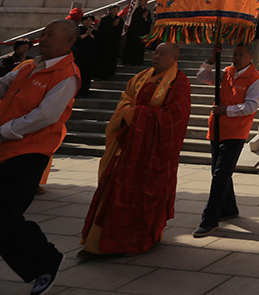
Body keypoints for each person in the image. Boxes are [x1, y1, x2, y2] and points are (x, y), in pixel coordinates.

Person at [80, 42, 190, 257]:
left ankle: (141, 237)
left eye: (162, 54)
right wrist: (130, 112)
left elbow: (175, 117)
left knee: (144, 196)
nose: (156, 56)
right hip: (128, 145)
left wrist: (136, 114)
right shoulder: (141, 76)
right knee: (113, 192)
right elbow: (125, 99)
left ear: (174, 59)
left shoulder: (179, 82)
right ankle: (98, 242)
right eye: (155, 52)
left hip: (153, 153)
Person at [0, 20, 80, 293]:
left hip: (29, 152)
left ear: (69, 42)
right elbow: (3, 86)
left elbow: (45, 115)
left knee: (5, 214)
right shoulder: (31, 66)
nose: (43, 39)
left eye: (50, 35)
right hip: (5, 147)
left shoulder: (67, 74)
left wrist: (4, 131)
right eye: (43, 33)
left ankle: (47, 261)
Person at [193, 44, 259, 237]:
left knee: (220, 174)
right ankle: (229, 208)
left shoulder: (255, 80)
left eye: (241, 54)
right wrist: (212, 60)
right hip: (216, 128)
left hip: (235, 132)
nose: (236, 57)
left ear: (251, 56)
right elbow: (201, 76)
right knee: (219, 172)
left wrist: (226, 110)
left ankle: (210, 219)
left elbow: (250, 107)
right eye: (234, 53)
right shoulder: (226, 72)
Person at [121, 0, 152, 66]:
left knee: (140, 48)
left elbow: (149, 21)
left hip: (143, 32)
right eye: (143, 0)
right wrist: (142, 17)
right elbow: (133, 20)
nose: (145, 2)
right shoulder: (135, 10)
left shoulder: (147, 11)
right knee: (132, 46)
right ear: (140, 1)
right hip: (134, 32)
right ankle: (129, 60)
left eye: (146, 0)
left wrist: (146, 19)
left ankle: (139, 61)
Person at [95, 6, 123, 79]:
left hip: (115, 42)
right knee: (104, 59)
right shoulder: (104, 19)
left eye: (116, 10)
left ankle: (111, 73)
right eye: (113, 9)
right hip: (105, 42)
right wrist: (112, 26)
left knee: (113, 59)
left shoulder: (119, 19)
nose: (115, 11)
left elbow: (120, 31)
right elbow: (101, 30)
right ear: (109, 10)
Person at [73, 19, 98, 97]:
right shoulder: (78, 30)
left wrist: (91, 35)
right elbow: (75, 40)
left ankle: (84, 91)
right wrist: (86, 35)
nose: (88, 22)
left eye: (90, 21)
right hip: (79, 56)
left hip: (89, 57)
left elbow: (98, 41)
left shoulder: (94, 31)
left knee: (87, 75)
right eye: (86, 20)